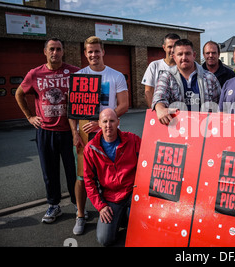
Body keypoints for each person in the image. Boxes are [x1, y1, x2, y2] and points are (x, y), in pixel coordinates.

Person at [15, 38, 80, 223]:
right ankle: (54, 205)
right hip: (45, 131)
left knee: (73, 170)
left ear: (63, 51)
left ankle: (78, 204)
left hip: (70, 131)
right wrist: (29, 116)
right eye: (52, 49)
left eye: (59, 49)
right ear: (45, 52)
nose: (55, 52)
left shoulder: (74, 72)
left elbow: (88, 95)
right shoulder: (35, 74)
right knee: (49, 171)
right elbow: (19, 93)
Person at [69, 36, 129, 235]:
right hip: (86, 131)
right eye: (90, 51)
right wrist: (74, 133)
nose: (94, 54)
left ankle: (116, 207)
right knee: (82, 176)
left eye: (97, 51)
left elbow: (123, 105)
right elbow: (72, 110)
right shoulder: (79, 76)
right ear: (85, 54)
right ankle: (80, 214)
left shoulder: (116, 76)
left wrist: (102, 122)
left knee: (113, 173)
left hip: (108, 129)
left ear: (103, 52)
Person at [83, 108, 141, 246]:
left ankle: (130, 221)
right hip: (112, 197)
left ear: (118, 122)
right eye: (105, 121)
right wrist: (101, 207)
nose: (108, 125)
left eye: (112, 121)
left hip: (133, 193)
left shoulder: (133, 140)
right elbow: (89, 181)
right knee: (104, 239)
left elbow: (147, 162)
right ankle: (123, 219)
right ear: (99, 124)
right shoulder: (91, 149)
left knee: (148, 225)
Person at [152, 39, 221, 125]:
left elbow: (219, 107)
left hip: (205, 130)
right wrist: (160, 108)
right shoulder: (166, 77)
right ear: (174, 57)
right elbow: (159, 96)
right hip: (177, 130)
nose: (184, 58)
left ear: (194, 55)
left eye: (187, 53)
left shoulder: (210, 78)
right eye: (180, 54)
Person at [142, 33, 180, 108]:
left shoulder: (184, 67)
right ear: (164, 47)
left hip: (180, 113)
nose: (172, 50)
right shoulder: (154, 66)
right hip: (160, 113)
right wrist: (154, 112)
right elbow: (148, 92)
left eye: (175, 47)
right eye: (169, 47)